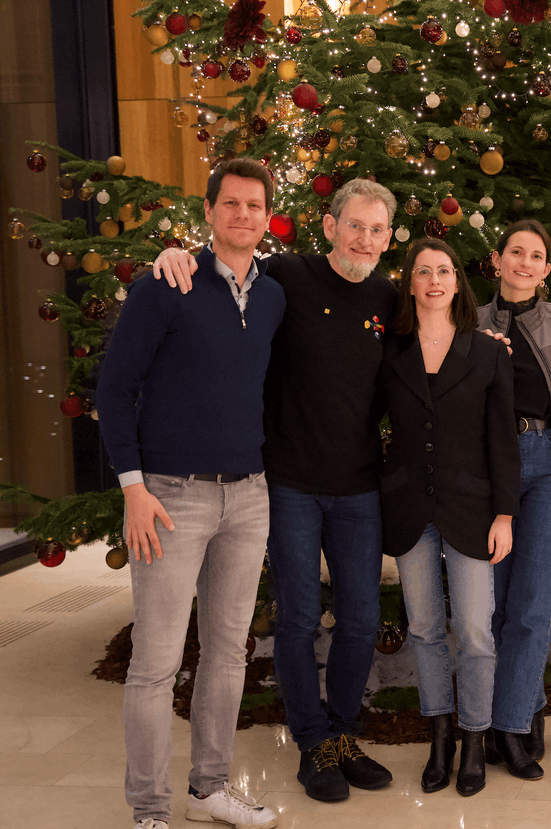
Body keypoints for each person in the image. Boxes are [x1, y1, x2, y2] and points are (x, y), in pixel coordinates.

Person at [150, 179, 399, 802]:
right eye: (355, 225)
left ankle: (343, 734)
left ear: (387, 238)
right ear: (329, 226)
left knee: (363, 619)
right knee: (298, 618)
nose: (364, 239)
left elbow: (437, 338)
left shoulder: (388, 297)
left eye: (377, 230)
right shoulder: (286, 276)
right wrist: (174, 254)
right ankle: (312, 742)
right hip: (287, 481)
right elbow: (224, 269)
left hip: (359, 485)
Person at [96, 158, 284, 829]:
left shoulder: (273, 295)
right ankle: (149, 809)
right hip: (171, 498)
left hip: (249, 496)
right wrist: (133, 488)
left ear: (268, 215)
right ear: (209, 213)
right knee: (156, 661)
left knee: (229, 650)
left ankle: (210, 787)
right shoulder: (165, 285)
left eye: (254, 205)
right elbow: (115, 391)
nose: (242, 215)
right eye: (229, 204)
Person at [378, 238, 520, 796]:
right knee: (423, 627)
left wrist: (504, 514)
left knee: (477, 631)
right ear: (410, 283)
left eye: (444, 270)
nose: (434, 280)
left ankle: (474, 739)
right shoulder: (391, 352)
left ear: (457, 283)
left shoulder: (486, 352)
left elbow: (502, 441)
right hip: (409, 505)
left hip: (472, 509)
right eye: (422, 272)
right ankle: (439, 736)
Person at [475, 220, 551, 779]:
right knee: (490, 610)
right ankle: (506, 714)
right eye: (516, 253)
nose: (525, 263)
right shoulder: (467, 323)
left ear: (547, 269)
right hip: (486, 474)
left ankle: (511, 727)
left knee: (532, 608)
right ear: (497, 260)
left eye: (537, 256)